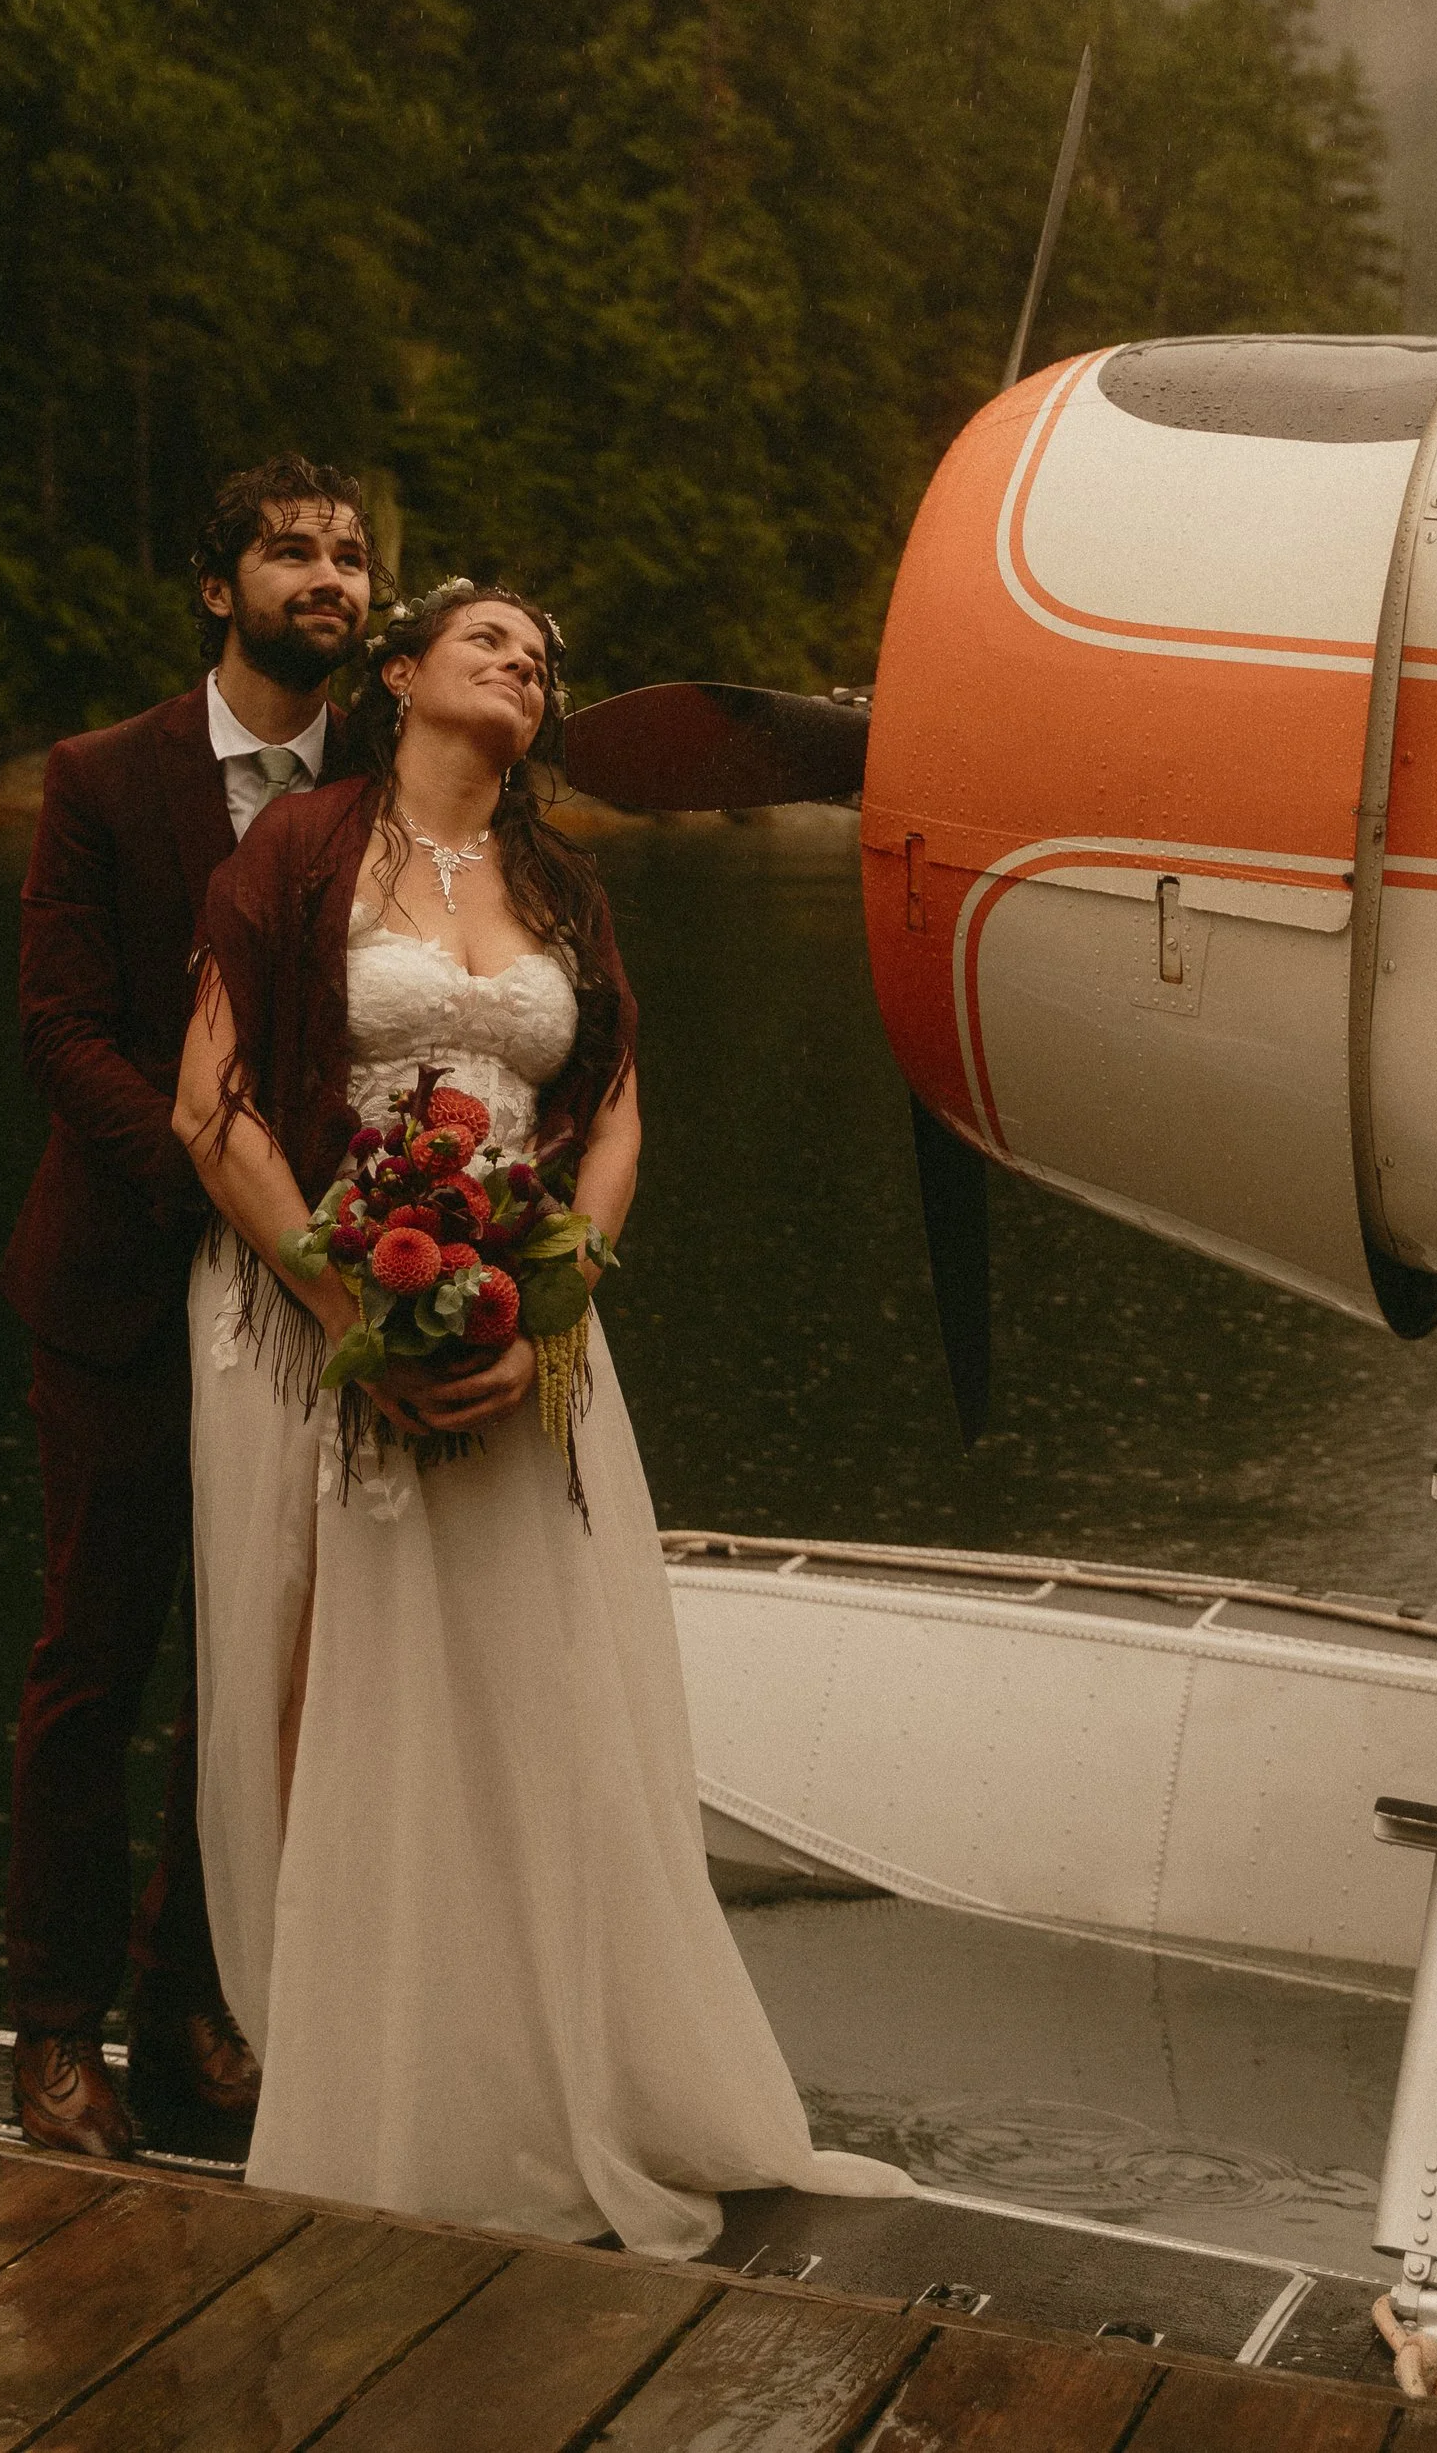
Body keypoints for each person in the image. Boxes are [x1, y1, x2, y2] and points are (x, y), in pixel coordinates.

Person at [174, 575, 911, 2254]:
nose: (522, 661)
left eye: (540, 656)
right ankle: (357, 2073)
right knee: (330, 1687)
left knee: (536, 1695)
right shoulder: (294, 854)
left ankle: (544, 2060)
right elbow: (210, 1106)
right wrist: (355, 1314)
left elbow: (618, 1116)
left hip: (526, 1324)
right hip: (316, 1322)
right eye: (488, 638)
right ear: (400, 671)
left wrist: (548, 1302)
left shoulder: (565, 885)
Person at [0, 455, 376, 2156]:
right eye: (291, 550)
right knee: (97, 1661)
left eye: (351, 553)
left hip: (316, 1296)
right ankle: (55, 2030)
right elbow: (59, 1024)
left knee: (259, 1669)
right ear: (217, 588)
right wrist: (209, 1173)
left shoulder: (380, 777)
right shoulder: (102, 775)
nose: (328, 575)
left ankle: (190, 2006)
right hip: (129, 1285)